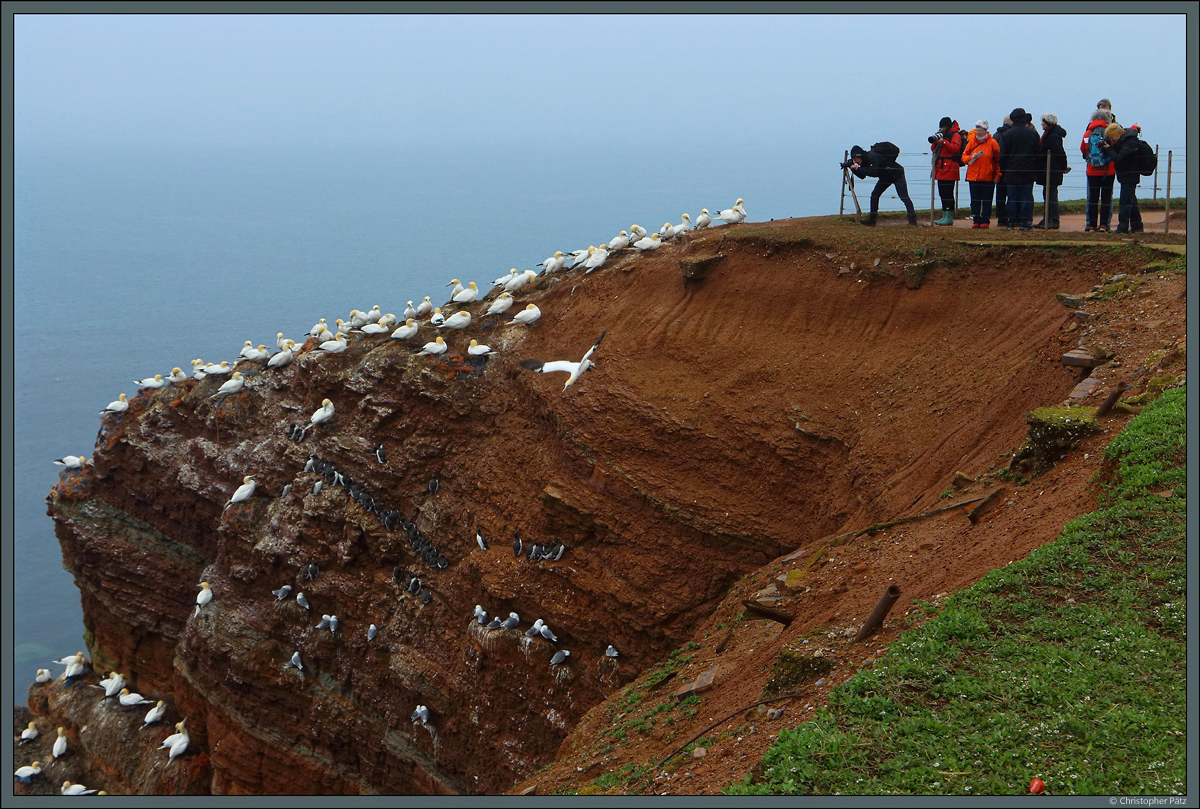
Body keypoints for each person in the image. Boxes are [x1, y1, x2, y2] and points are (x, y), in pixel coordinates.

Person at [845, 143, 918, 227]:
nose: (855, 161)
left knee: (904, 196)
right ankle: (872, 220)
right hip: (886, 176)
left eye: (855, 158)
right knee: (875, 195)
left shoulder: (873, 156)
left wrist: (858, 168)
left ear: (859, 156)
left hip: (896, 173)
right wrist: (853, 169)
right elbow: (862, 176)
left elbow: (874, 172)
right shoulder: (864, 160)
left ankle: (912, 221)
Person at [996, 107, 1040, 230]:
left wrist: (1003, 170)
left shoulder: (1007, 134)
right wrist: (1036, 169)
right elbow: (1038, 153)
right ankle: (1024, 222)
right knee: (1026, 196)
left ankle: (1011, 222)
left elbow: (1002, 155)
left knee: (1012, 197)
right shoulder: (1032, 134)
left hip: (1011, 170)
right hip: (1028, 169)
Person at [1101, 122, 1144, 233]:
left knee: (1125, 201)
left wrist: (1108, 148)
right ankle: (1137, 225)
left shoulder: (1129, 143)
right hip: (1126, 175)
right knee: (1131, 200)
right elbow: (1115, 151)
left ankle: (1122, 227)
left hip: (1129, 175)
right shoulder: (1125, 140)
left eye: (1111, 137)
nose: (1111, 140)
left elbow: (1119, 158)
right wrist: (1107, 148)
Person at [1080, 109, 1116, 232]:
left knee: (1093, 198)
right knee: (1106, 198)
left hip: (1092, 169)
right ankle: (1104, 225)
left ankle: (1091, 224)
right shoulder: (1110, 132)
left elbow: (1083, 149)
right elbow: (1114, 148)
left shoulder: (1087, 133)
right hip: (1108, 169)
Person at [961, 120, 999, 228]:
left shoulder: (992, 143)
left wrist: (997, 175)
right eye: (976, 129)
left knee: (987, 200)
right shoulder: (971, 142)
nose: (977, 132)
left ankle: (985, 220)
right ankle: (976, 220)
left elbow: (997, 161)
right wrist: (970, 158)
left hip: (988, 176)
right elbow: (963, 157)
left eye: (980, 130)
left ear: (985, 130)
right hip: (973, 176)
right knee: (975, 200)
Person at [1034, 113, 1069, 229]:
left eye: (1043, 122)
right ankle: (1047, 218)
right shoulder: (1050, 134)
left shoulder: (1053, 136)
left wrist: (1063, 165)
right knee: (1048, 194)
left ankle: (1053, 219)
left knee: (1051, 194)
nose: (1041, 124)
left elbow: (1059, 152)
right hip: (1049, 168)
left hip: (1052, 169)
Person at [930, 116, 963, 226]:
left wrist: (943, 142)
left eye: (943, 127)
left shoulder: (955, 135)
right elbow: (932, 148)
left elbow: (955, 148)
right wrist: (936, 141)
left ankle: (949, 216)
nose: (942, 129)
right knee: (942, 193)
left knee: (948, 193)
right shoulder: (942, 135)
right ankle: (944, 215)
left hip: (950, 167)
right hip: (940, 167)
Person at [993, 114, 1013, 227]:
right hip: (1008, 168)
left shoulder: (996, 135)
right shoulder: (1009, 135)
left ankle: (1001, 218)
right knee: (1010, 194)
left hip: (998, 167)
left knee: (1000, 195)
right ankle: (1010, 216)